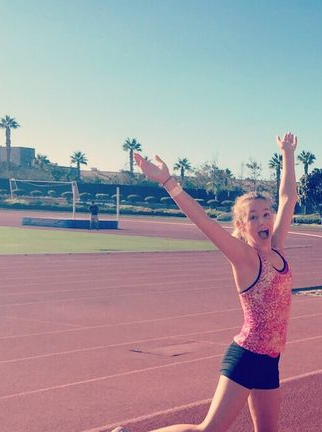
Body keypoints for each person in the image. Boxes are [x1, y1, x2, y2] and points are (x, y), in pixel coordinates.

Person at [112, 133, 298, 432]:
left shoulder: (277, 248)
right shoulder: (244, 257)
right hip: (247, 355)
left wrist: (287, 154)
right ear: (241, 225)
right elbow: (205, 222)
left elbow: (289, 197)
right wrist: (168, 182)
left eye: (266, 214)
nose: (263, 221)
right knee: (208, 430)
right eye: (253, 217)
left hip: (270, 359)